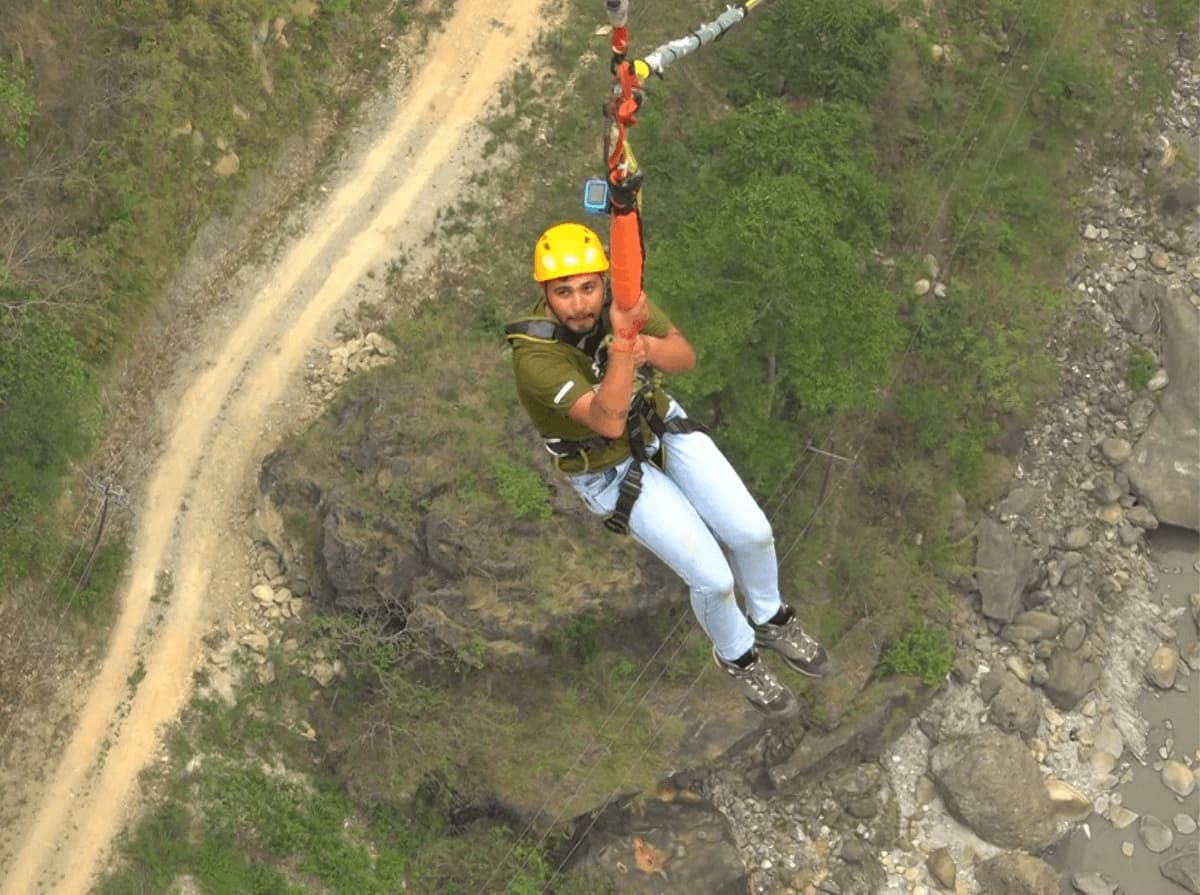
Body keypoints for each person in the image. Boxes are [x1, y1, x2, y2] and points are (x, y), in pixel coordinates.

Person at [505, 222, 832, 720]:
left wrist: (644, 346)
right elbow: (608, 422)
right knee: (713, 580)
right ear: (544, 294)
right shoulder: (536, 358)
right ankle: (739, 656)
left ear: (602, 282)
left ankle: (771, 617)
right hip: (607, 469)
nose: (579, 304)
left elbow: (683, 356)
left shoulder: (624, 303)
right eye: (563, 292)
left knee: (753, 533)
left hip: (659, 425)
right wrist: (622, 346)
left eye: (589, 287)